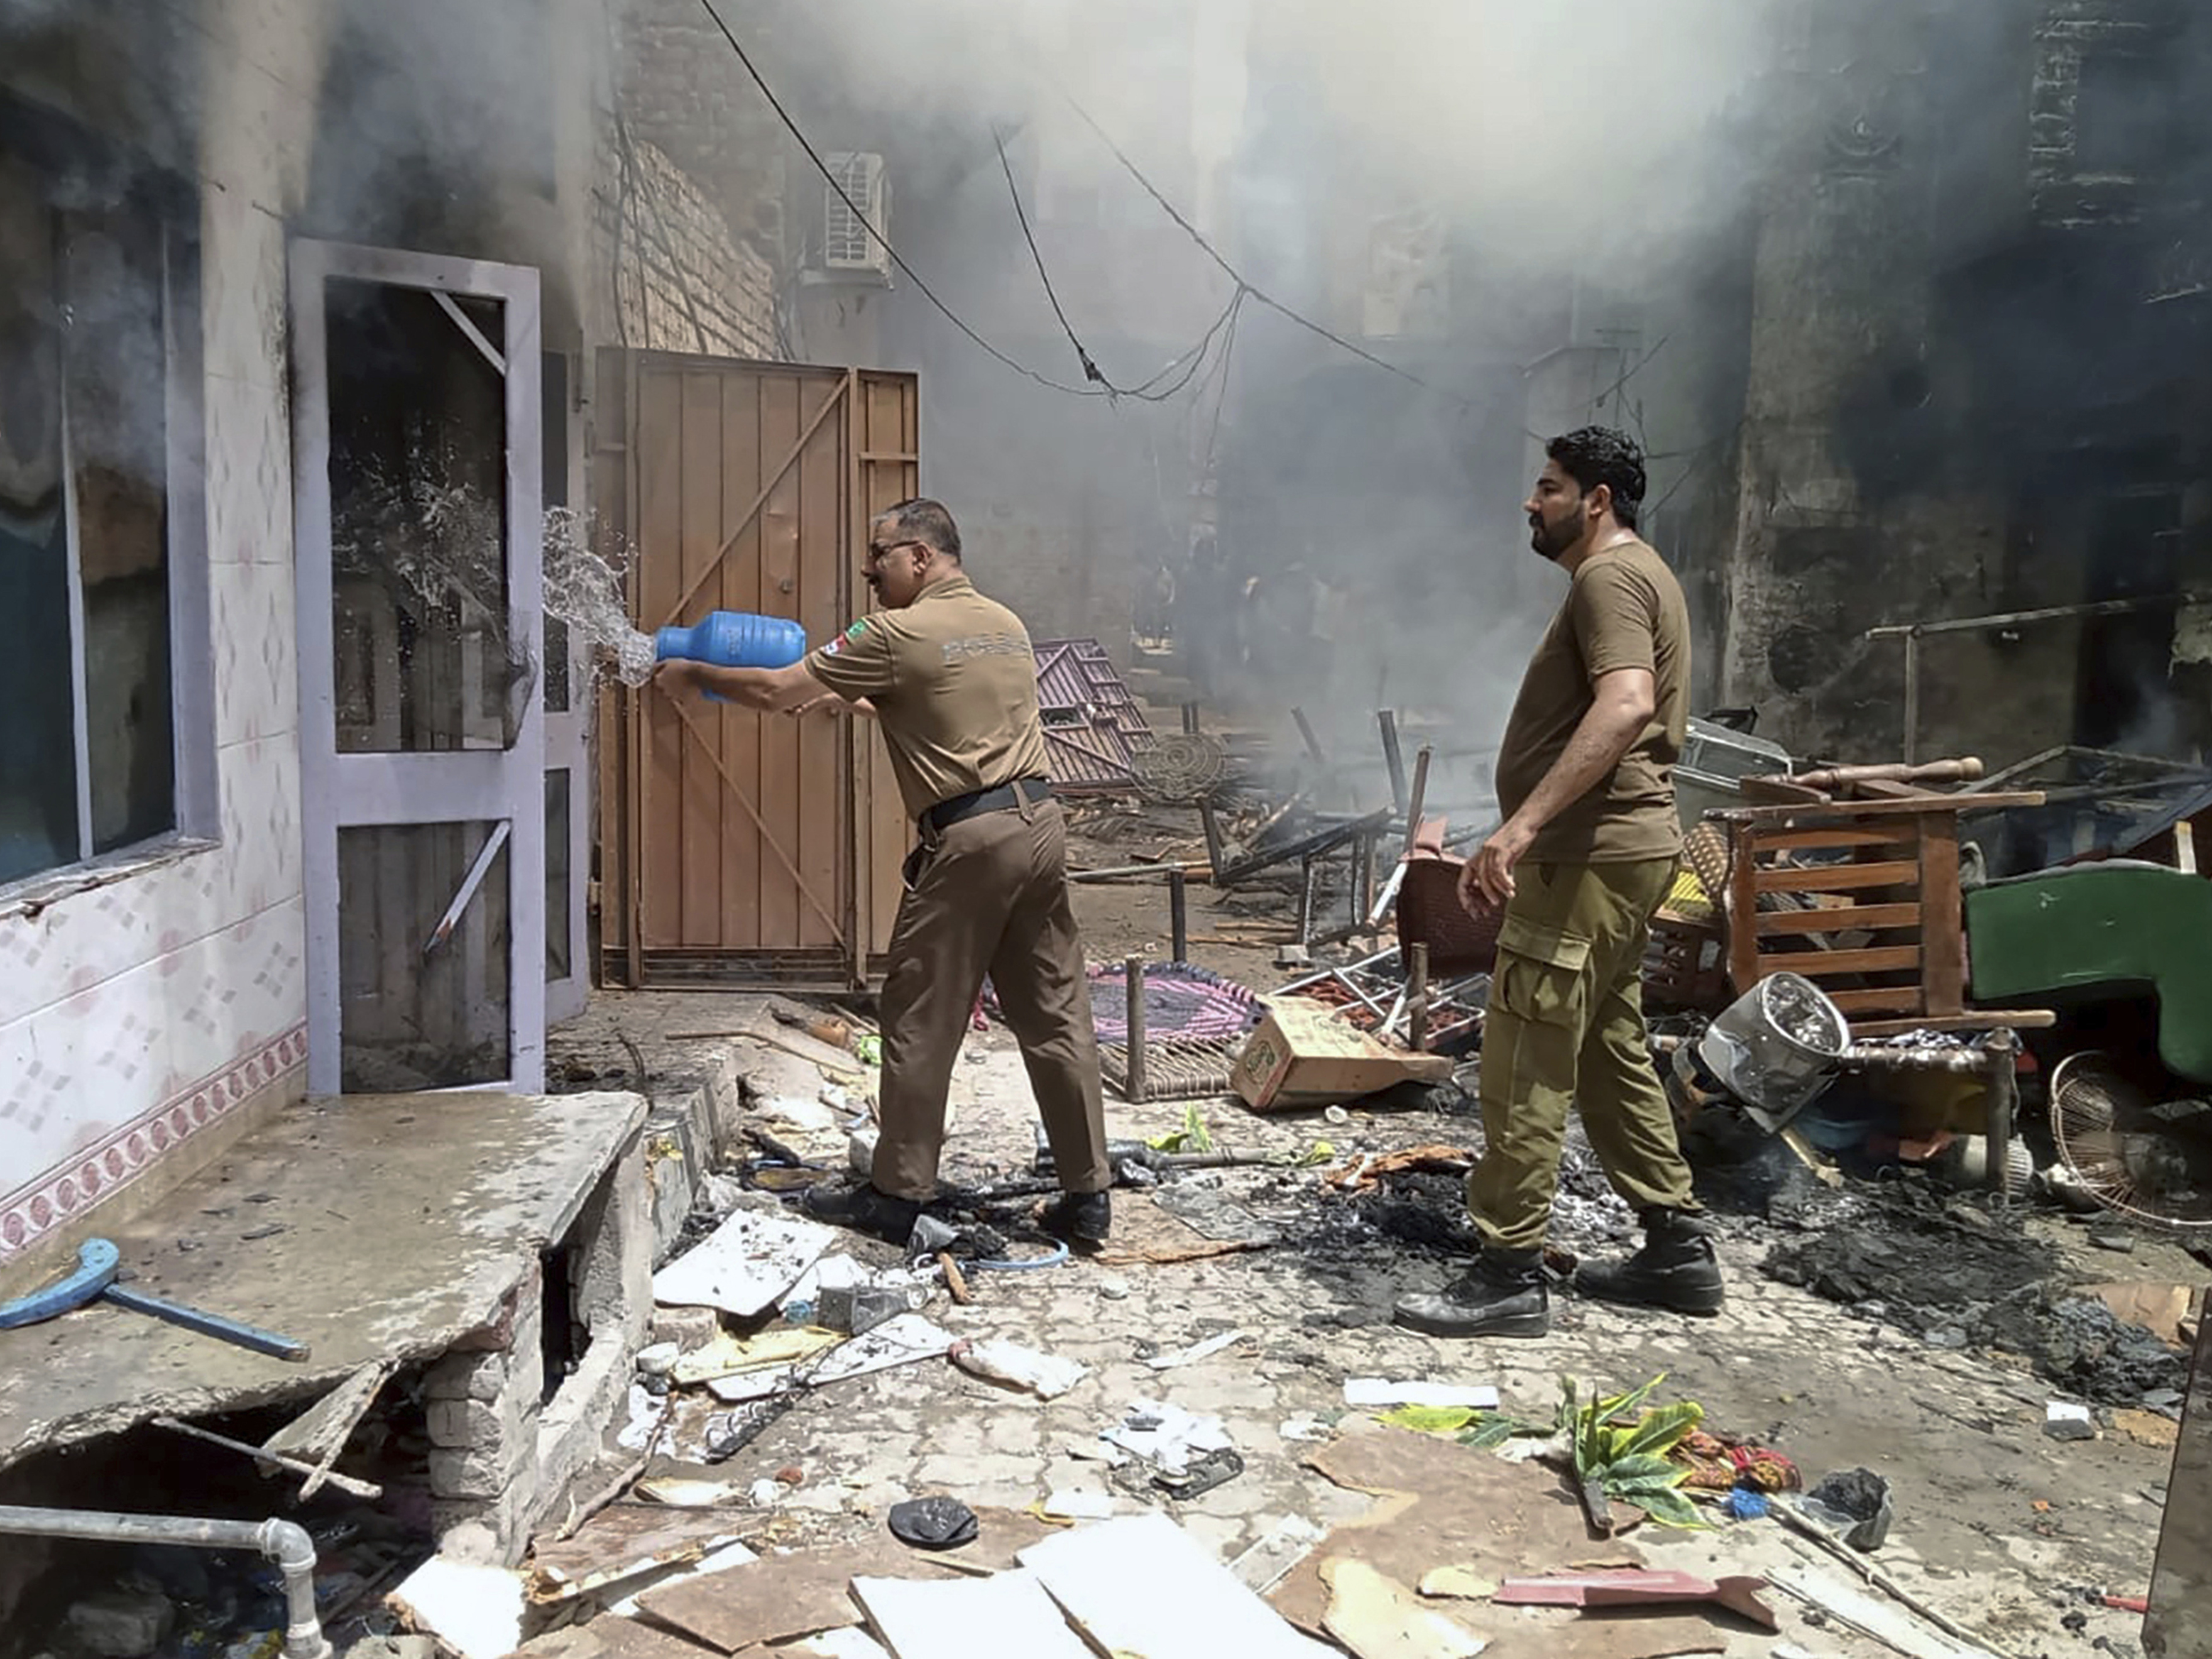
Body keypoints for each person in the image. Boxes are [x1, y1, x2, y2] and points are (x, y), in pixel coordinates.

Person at [652, 499, 1113, 1245]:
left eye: (881, 555)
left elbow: (775, 690)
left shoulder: (896, 631)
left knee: (920, 1014)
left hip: (972, 843)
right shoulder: (1005, 623)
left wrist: (692, 670)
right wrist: (857, 703)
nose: (870, 570)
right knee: (1055, 1013)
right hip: (1041, 830)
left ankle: (897, 1195)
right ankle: (1088, 1195)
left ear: (922, 558)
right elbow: (946, 700)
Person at [1393, 427, 1720, 1339]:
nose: (1532, 505)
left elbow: (1627, 703)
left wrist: (1523, 825)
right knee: (1604, 1045)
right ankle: (1676, 1246)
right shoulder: (1643, 573)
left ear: (1598, 499)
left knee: (1527, 1049)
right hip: (1625, 854)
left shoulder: (1609, 578)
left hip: (1587, 856)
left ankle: (1507, 1270)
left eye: (1549, 488)